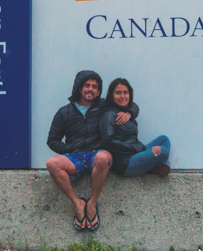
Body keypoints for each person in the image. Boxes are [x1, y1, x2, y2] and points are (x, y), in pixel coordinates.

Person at [46, 70, 137, 232]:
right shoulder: (64, 112)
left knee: (103, 157)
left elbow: (130, 103)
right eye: (87, 86)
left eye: (95, 87)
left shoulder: (104, 106)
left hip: (96, 155)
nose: (91, 89)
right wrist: (70, 149)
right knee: (51, 163)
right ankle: (78, 203)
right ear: (79, 88)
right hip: (75, 158)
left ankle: (92, 203)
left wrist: (129, 113)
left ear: (99, 91)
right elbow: (52, 140)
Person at [100, 78, 170, 177]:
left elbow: (134, 106)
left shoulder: (128, 112)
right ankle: (156, 167)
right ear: (112, 96)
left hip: (135, 153)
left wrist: (129, 113)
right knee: (162, 151)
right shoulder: (109, 115)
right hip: (125, 162)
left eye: (125, 92)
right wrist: (135, 148)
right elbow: (108, 142)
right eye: (118, 93)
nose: (123, 96)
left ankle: (154, 167)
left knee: (164, 140)